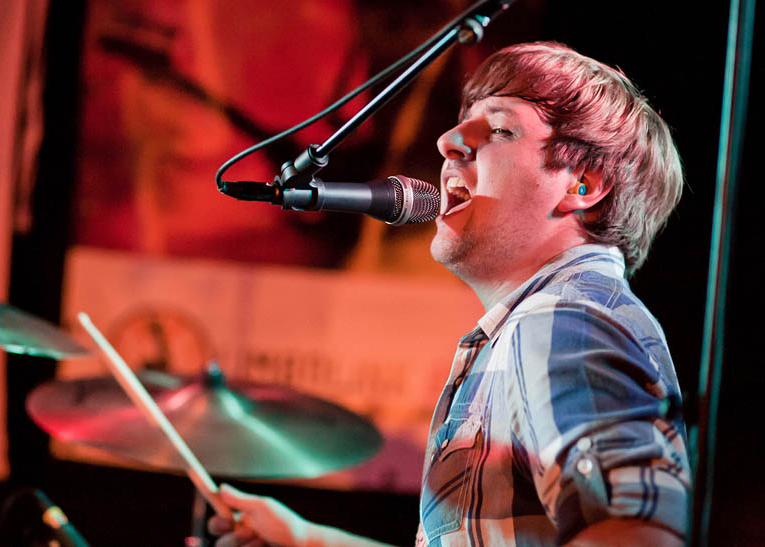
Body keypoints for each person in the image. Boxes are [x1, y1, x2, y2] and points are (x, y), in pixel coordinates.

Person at [207, 41, 690, 546]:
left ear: (583, 185)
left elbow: (640, 537)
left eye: (500, 129)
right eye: (464, 122)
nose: (448, 141)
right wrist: (307, 541)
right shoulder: (542, 324)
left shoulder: (565, 321)